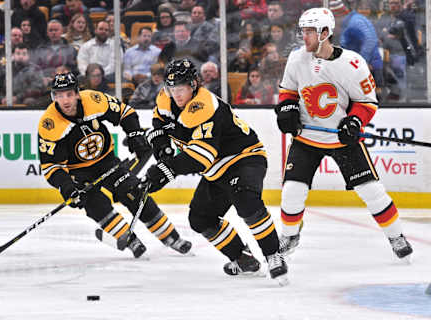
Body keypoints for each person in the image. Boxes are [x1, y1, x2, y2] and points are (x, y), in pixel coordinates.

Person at [275, 7, 413, 262]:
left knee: (372, 192)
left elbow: (367, 102)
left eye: (309, 32)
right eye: (302, 31)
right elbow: (288, 92)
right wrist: (286, 109)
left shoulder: (352, 64)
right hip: (306, 139)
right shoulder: (296, 59)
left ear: (325, 33)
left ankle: (396, 236)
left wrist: (354, 121)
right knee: (292, 191)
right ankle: (290, 235)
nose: (303, 37)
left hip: (342, 140)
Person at [141, 58, 288, 285]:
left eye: (181, 88)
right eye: (172, 88)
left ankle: (273, 255)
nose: (176, 94)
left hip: (244, 157)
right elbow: (160, 120)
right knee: (200, 218)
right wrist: (160, 143)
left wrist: (166, 169)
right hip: (216, 170)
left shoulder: (205, 106)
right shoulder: (166, 97)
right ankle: (243, 258)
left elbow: (200, 158)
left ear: (194, 84)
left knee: (247, 203)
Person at [38, 72, 192, 258]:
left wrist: (134, 135)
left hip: (107, 162)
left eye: (69, 94)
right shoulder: (49, 124)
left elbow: (124, 112)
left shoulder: (93, 100)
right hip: (78, 173)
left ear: (78, 93)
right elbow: (50, 166)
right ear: (53, 97)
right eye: (59, 95)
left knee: (134, 192)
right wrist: (67, 186)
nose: (65, 100)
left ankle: (171, 238)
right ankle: (130, 241)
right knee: (96, 205)